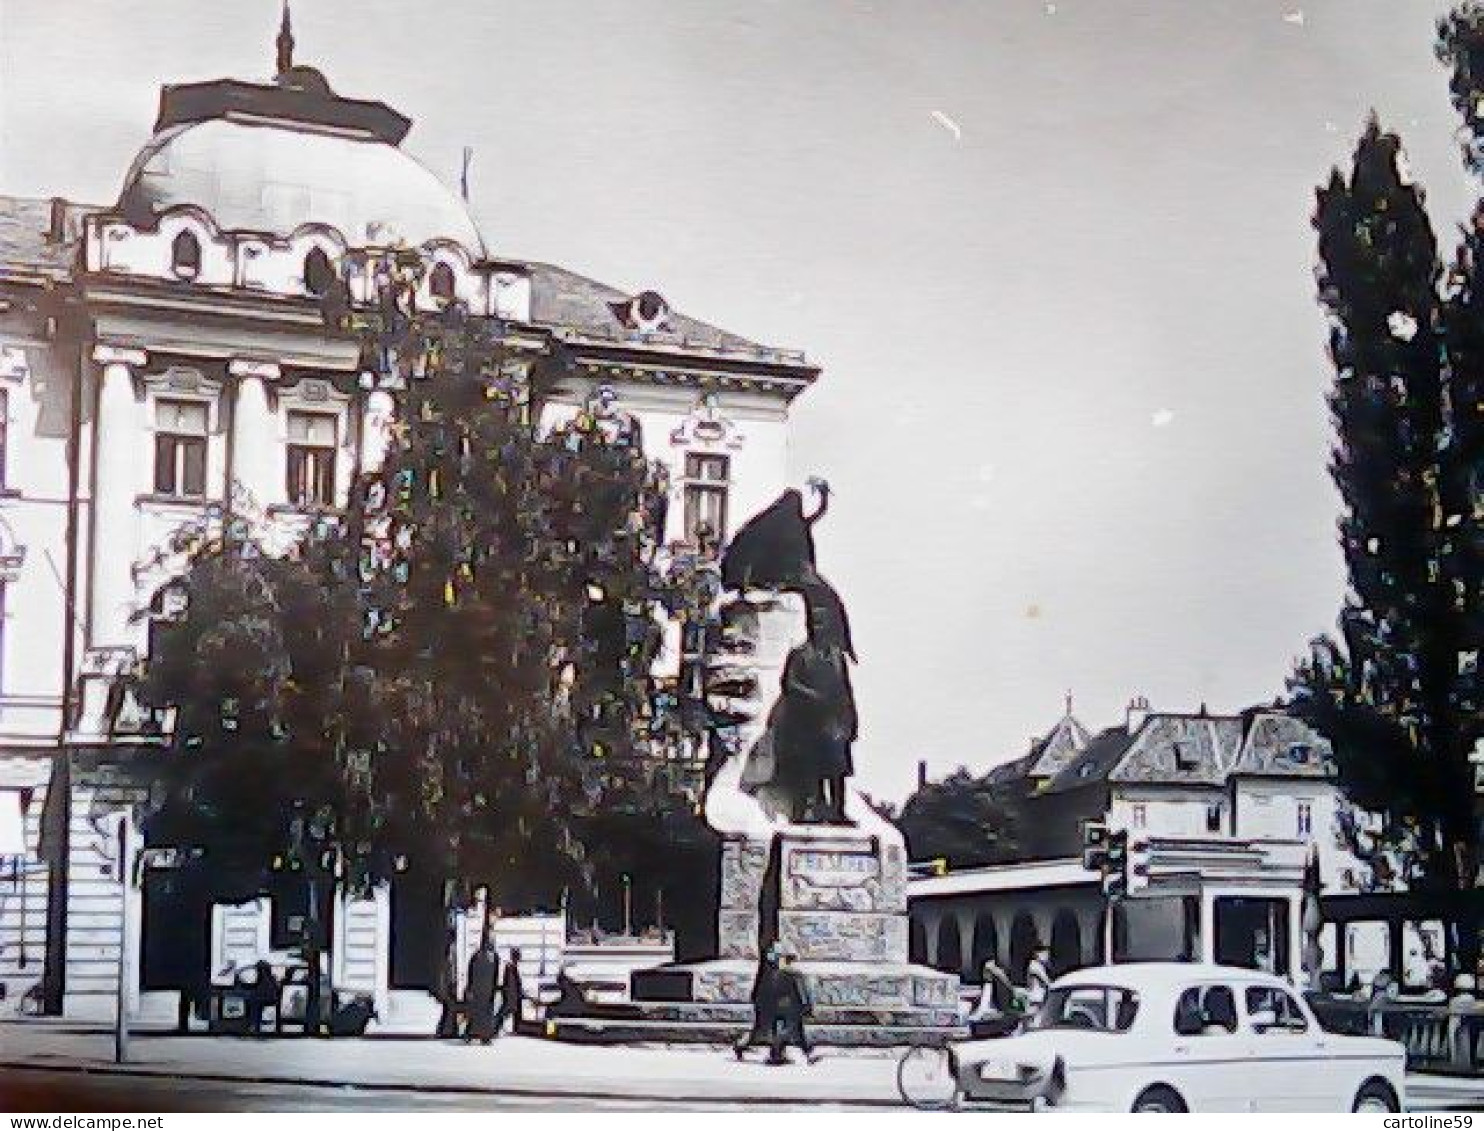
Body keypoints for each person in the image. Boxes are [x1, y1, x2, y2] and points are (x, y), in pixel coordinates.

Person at [767, 949, 818, 1065]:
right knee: (790, 1030)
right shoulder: (795, 973)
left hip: (779, 1005)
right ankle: (776, 1051)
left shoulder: (776, 973)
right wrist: (808, 1006)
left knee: (799, 1032)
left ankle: (808, 1054)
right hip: (794, 1006)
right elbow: (802, 991)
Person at [734, 946, 781, 1061]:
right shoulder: (769, 963)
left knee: (775, 1025)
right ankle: (742, 1046)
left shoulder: (773, 965)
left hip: (770, 998)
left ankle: (776, 1053)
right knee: (764, 1027)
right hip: (765, 999)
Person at [464, 935, 499, 1043]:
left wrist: (470, 988)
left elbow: (471, 973)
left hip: (482, 990)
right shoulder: (489, 957)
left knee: (480, 1014)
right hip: (483, 990)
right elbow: (495, 976)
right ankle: (480, 1036)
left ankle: (478, 1035)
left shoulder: (478, 955)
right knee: (482, 1014)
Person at [493, 947, 524, 1036]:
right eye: (517, 955)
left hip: (513, 994)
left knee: (509, 1013)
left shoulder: (512, 967)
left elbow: (514, 982)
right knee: (504, 1013)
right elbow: (510, 982)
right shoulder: (510, 967)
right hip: (511, 995)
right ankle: (494, 1029)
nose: (519, 957)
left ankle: (516, 1029)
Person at [1025, 944, 1052, 1011]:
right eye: (1045, 954)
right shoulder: (1035, 966)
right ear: (1037, 954)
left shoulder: (1037, 965)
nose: (1047, 956)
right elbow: (1047, 981)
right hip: (1036, 999)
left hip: (1037, 999)